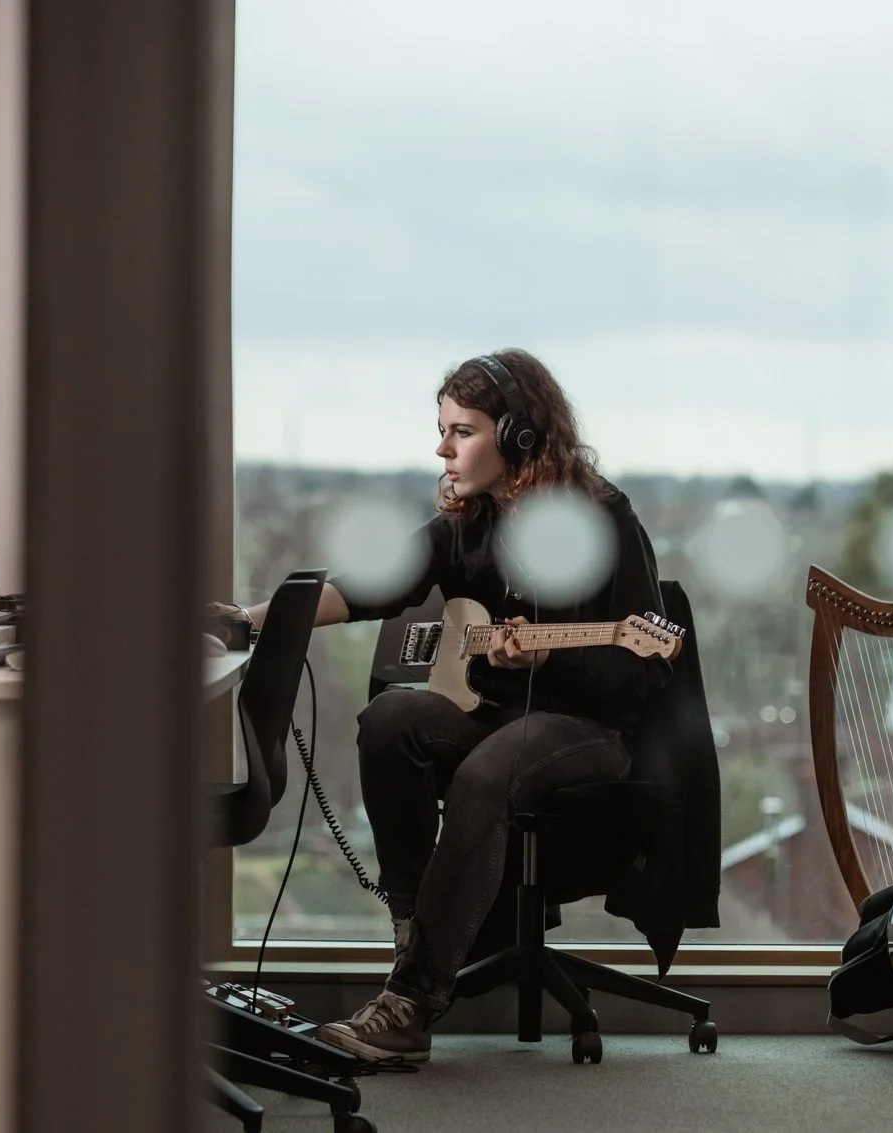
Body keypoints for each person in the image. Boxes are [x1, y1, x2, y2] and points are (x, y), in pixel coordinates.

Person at [226, 349, 670, 1063]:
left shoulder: (606, 517)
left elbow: (641, 670)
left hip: (591, 727)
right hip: (498, 717)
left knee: (487, 773)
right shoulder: (471, 523)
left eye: (461, 430)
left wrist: (551, 656)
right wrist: (251, 620)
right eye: (443, 428)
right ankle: (413, 931)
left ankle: (410, 1006)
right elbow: (370, 585)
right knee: (391, 720)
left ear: (519, 434)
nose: (442, 446)